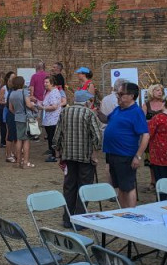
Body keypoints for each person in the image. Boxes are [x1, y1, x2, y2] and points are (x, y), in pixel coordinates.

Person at [53, 90, 102, 227]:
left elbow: (57, 135)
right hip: (85, 157)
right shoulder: (89, 113)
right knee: (84, 187)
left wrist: (58, 152)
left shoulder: (65, 112)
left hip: (68, 156)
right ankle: (80, 220)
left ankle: (67, 219)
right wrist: (95, 153)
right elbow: (97, 136)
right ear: (86, 101)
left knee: (69, 187)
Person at [102, 82, 149, 209]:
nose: (118, 96)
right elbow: (106, 119)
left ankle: (131, 212)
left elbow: (145, 135)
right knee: (120, 187)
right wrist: (96, 111)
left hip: (126, 155)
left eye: (121, 94)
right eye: (118, 93)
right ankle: (123, 212)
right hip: (112, 153)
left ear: (132, 96)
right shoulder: (118, 109)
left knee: (128, 187)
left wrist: (138, 156)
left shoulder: (136, 112)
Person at [9, 75, 38, 168]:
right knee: (26, 140)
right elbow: (28, 104)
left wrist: (17, 113)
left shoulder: (12, 94)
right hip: (26, 118)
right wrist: (35, 109)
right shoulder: (24, 92)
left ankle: (18, 162)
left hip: (17, 118)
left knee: (18, 140)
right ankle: (25, 162)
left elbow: (10, 108)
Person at [38, 74, 66, 162]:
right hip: (48, 120)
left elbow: (54, 106)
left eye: (47, 82)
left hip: (53, 120)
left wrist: (43, 108)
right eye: (44, 82)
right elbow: (47, 102)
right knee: (51, 137)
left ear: (52, 83)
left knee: (53, 138)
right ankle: (54, 154)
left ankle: (55, 156)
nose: (45, 84)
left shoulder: (54, 92)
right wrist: (39, 102)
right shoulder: (47, 92)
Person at [0, 71, 16, 153]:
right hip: (7, 109)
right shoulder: (4, 88)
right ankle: (8, 151)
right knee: (8, 130)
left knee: (13, 131)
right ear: (8, 79)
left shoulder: (14, 89)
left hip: (13, 109)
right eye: (12, 78)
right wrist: (8, 102)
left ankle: (13, 150)